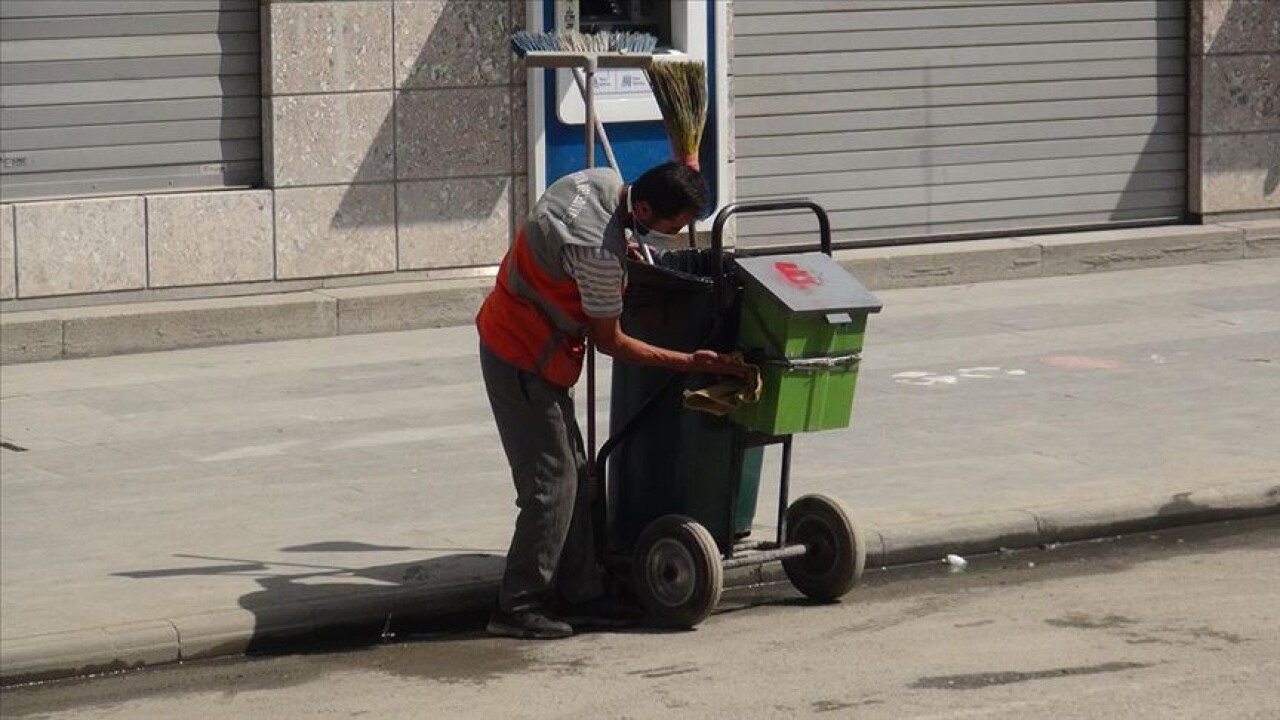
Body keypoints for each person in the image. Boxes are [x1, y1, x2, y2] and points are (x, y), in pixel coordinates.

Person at [476, 162, 745, 639]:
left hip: (525, 342)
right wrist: (689, 361)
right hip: (521, 355)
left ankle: (582, 593)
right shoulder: (598, 255)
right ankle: (517, 605)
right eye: (673, 226)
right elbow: (613, 342)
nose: (676, 235)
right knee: (550, 487)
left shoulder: (597, 180)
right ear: (642, 209)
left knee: (576, 476)